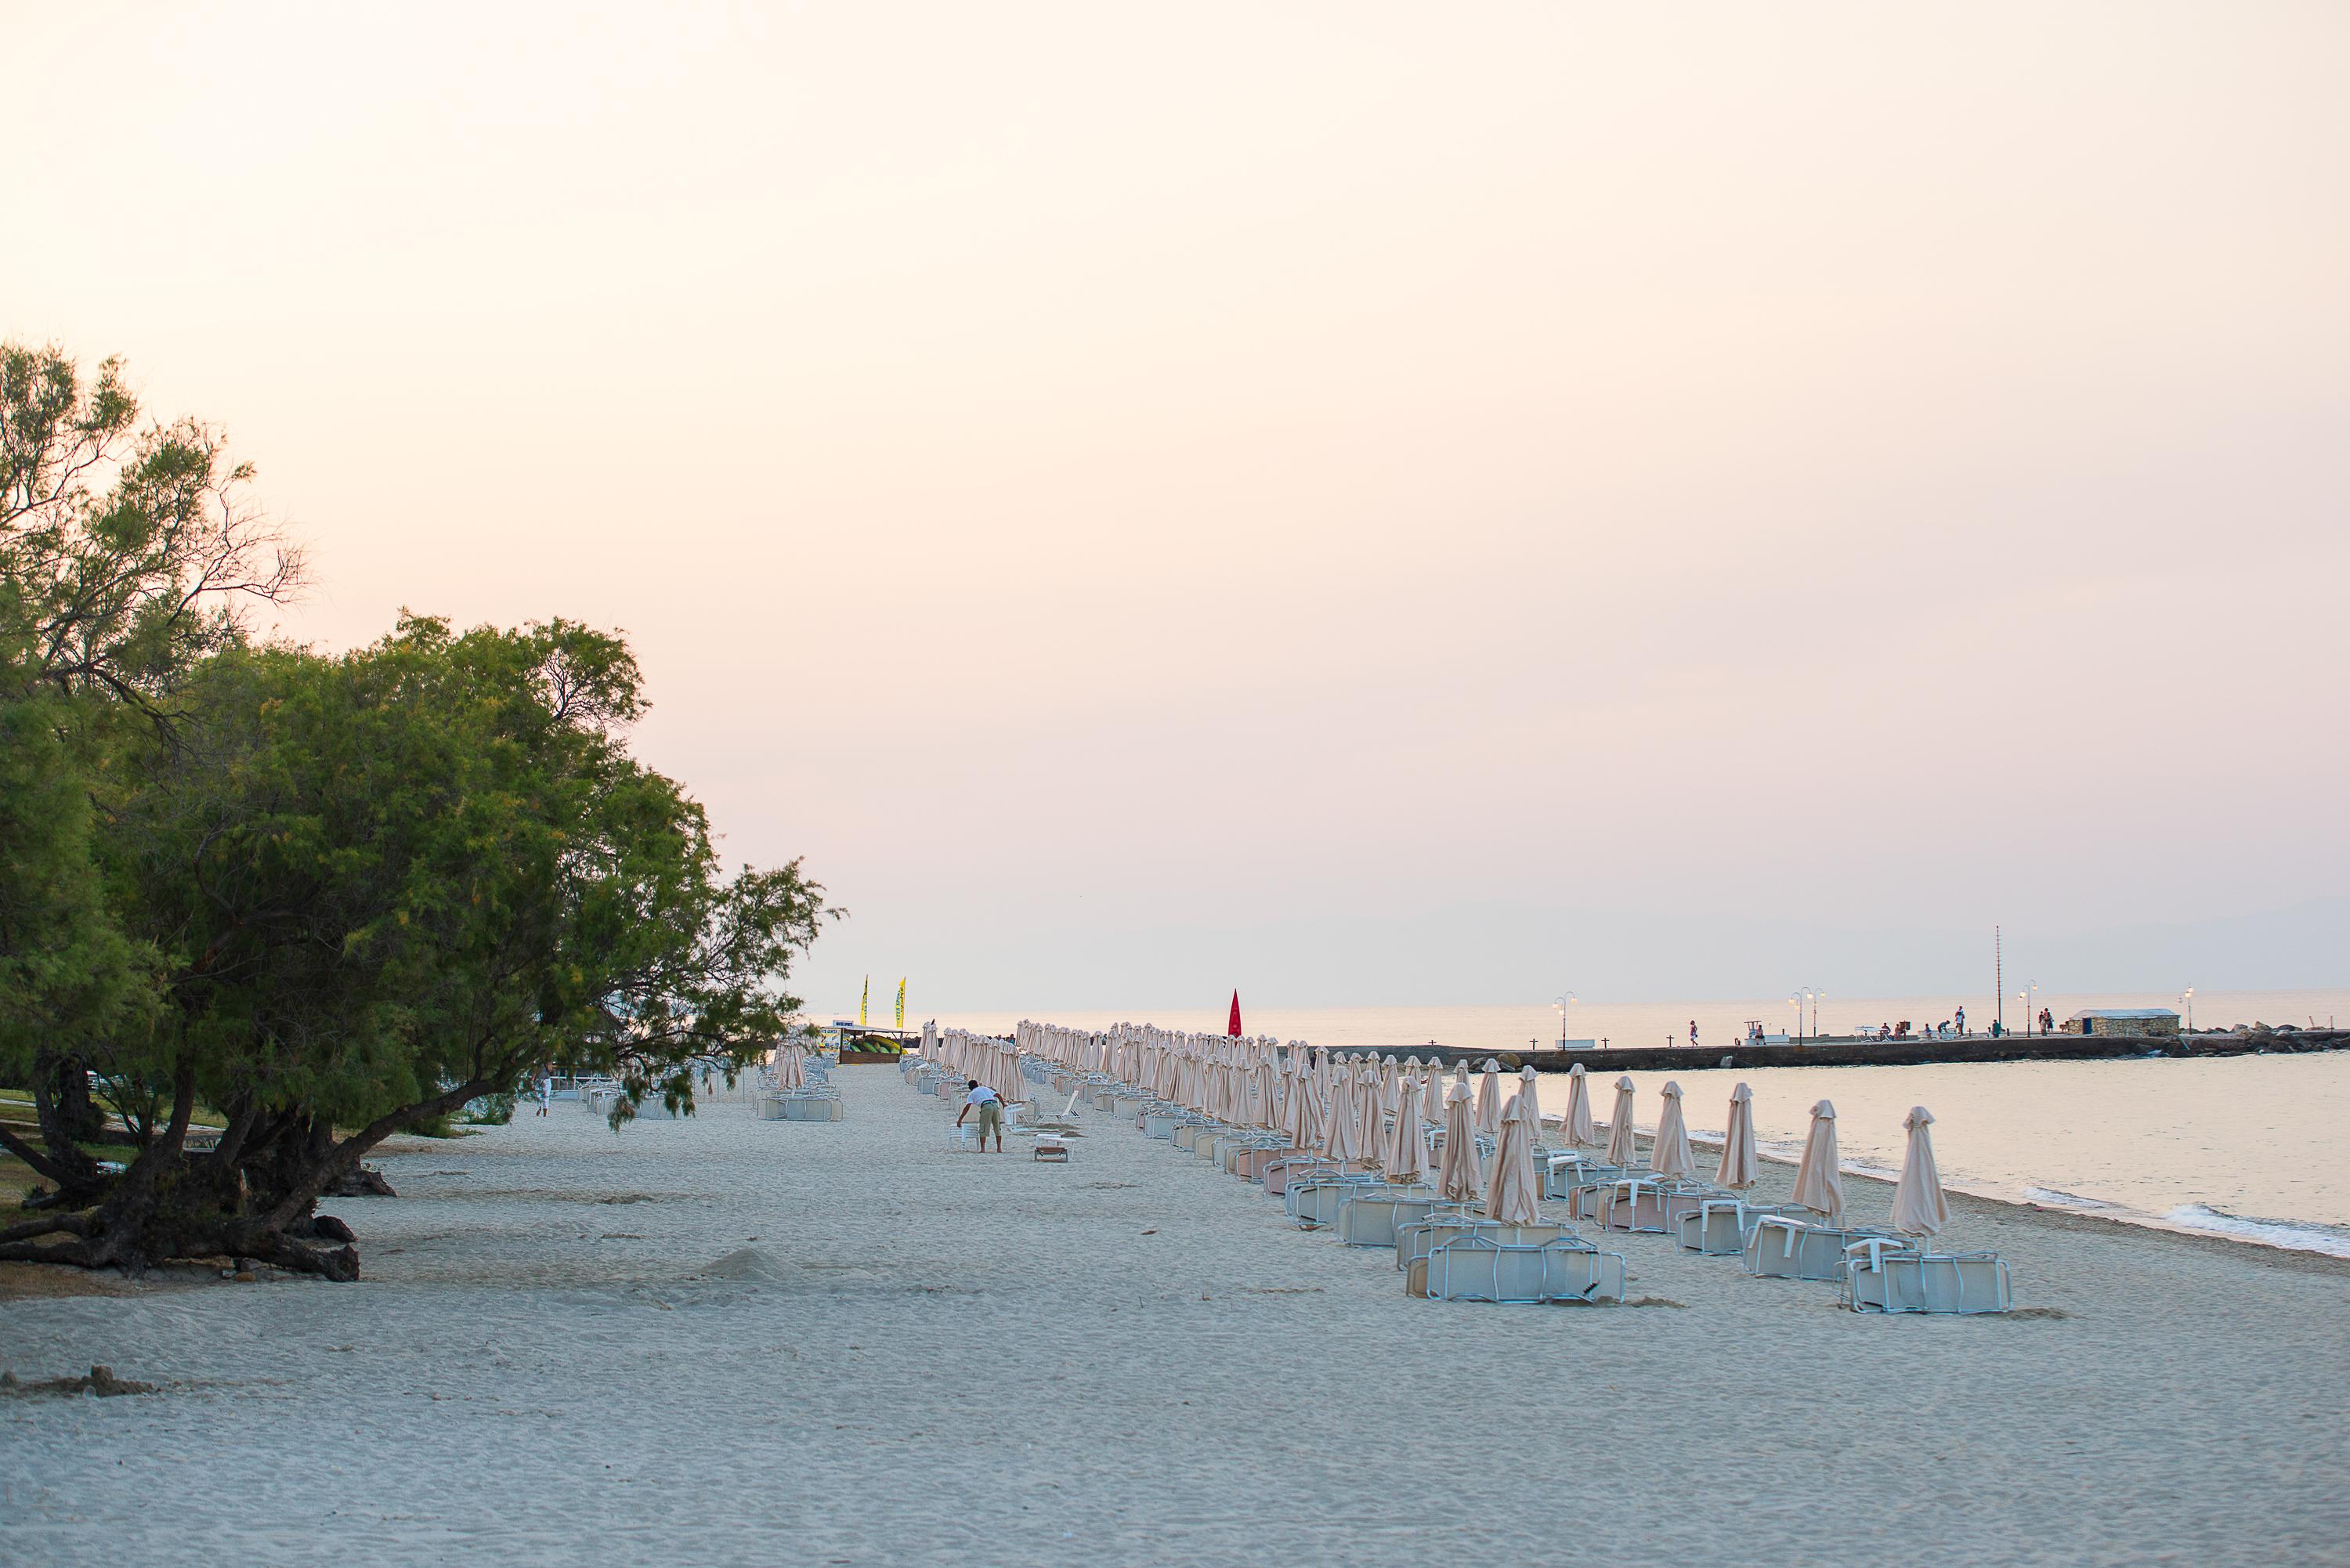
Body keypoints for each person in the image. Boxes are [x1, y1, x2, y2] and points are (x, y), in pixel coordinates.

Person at [958, 1078, 1004, 1152]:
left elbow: (967, 1107)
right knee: (997, 1127)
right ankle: (999, 1148)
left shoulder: (972, 1093)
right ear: (977, 1085)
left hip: (986, 1106)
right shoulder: (984, 1088)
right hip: (995, 1105)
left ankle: (983, 1149)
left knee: (983, 1128)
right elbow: (998, 1095)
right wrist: (1003, 1104)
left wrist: (960, 1120)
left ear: (970, 1088)